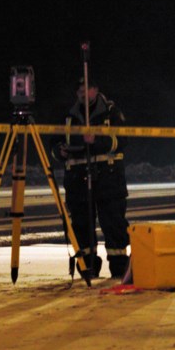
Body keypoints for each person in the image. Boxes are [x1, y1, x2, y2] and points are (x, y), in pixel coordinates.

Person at [52, 79, 130, 278]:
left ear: (96, 89)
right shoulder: (69, 116)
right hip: (78, 180)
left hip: (108, 179)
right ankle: (87, 267)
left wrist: (97, 140)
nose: (82, 93)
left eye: (86, 89)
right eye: (79, 89)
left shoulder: (111, 112)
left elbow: (122, 140)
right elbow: (54, 143)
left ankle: (119, 268)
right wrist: (59, 151)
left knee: (113, 224)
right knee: (81, 226)